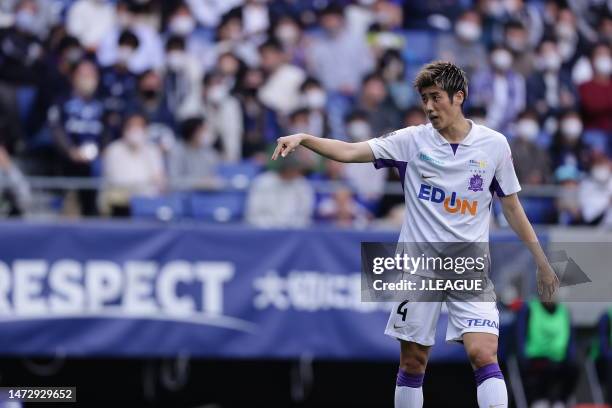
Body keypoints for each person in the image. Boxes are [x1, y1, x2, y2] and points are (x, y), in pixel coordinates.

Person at [272, 61, 559, 408]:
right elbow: (350, 151)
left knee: (484, 353)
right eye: (424, 98)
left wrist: (542, 262)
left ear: (459, 97)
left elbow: (512, 208)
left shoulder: (494, 145)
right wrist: (305, 139)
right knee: (413, 361)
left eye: (436, 97)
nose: (428, 106)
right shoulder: (411, 140)